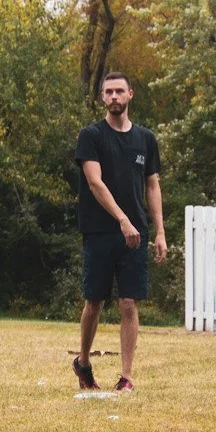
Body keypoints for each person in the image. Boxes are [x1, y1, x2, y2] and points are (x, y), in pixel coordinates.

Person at [73, 73, 166, 392]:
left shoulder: (146, 139)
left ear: (130, 94)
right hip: (99, 231)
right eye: (108, 92)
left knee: (129, 303)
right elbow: (95, 182)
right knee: (94, 302)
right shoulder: (91, 136)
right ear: (102, 97)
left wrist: (160, 232)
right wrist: (122, 220)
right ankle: (83, 363)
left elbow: (152, 185)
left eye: (119, 91)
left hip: (136, 234)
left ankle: (126, 376)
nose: (114, 96)